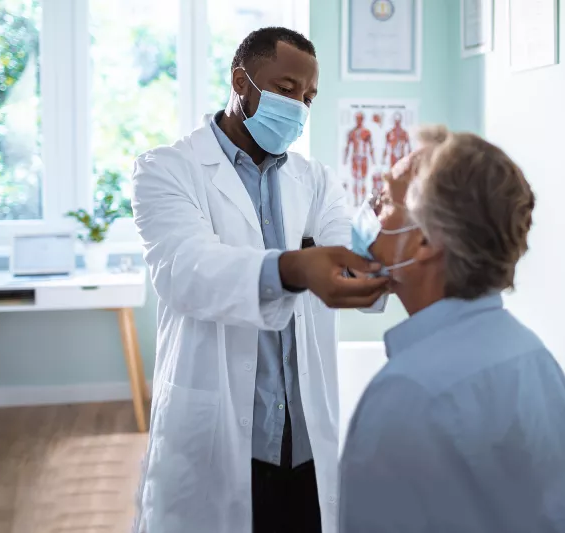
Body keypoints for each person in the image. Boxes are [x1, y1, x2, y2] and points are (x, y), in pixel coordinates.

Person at [131, 27, 388, 533]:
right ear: (241, 82)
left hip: (305, 435)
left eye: (309, 97)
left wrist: (379, 231)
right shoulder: (167, 170)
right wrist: (295, 265)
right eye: (287, 88)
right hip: (221, 435)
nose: (298, 106)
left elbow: (348, 261)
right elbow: (189, 271)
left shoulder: (316, 181)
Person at [340, 126, 565, 532]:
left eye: (385, 200)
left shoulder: (406, 393)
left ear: (426, 241)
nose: (369, 212)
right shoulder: (532, 357)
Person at [343, 111, 375, 207]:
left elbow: (371, 146)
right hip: (355, 158)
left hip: (364, 158)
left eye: (360, 119)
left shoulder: (367, 132)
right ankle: (356, 201)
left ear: (363, 119)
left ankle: (362, 201)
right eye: (357, 119)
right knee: (356, 180)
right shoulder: (352, 132)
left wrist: (373, 160)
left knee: (363, 180)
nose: (358, 121)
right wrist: (345, 159)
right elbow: (347, 146)